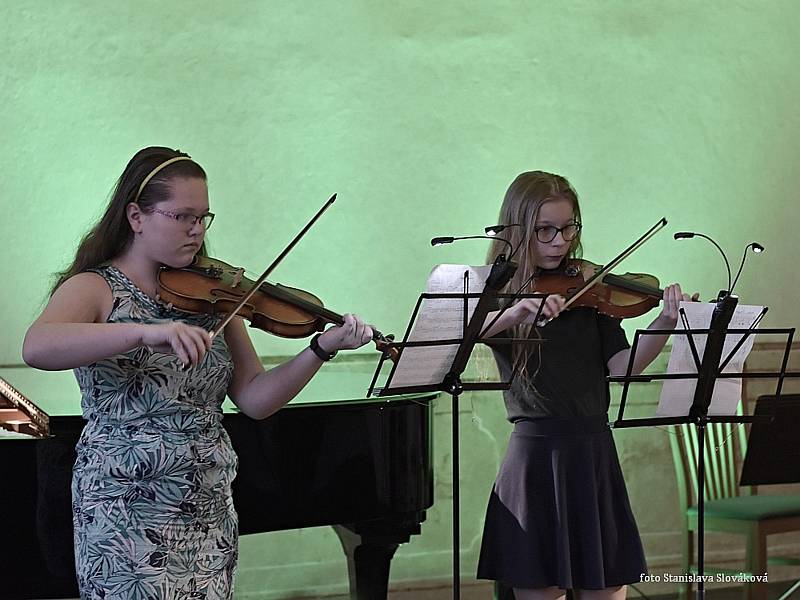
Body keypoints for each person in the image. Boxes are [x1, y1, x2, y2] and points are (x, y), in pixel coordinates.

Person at [22, 146, 373, 599]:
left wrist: (321, 349)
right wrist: (144, 333)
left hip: (207, 504)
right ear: (136, 216)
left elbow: (255, 399)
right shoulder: (94, 288)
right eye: (182, 216)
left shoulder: (213, 296)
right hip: (125, 505)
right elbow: (38, 346)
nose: (196, 231)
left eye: (204, 218)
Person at [476, 171, 698, 600]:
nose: (560, 241)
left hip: (594, 453)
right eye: (545, 230)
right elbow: (466, 338)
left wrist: (664, 322)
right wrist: (517, 312)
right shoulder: (498, 292)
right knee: (542, 587)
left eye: (569, 227)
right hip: (536, 461)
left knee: (609, 587)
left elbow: (624, 366)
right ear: (519, 231)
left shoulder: (591, 290)